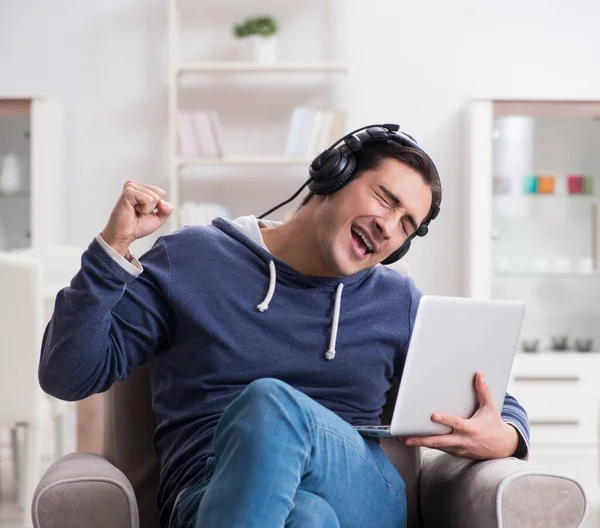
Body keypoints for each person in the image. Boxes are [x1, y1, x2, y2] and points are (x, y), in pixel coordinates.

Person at [39, 125, 530, 528]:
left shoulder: (394, 298)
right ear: (332, 175)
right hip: (208, 495)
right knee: (306, 517)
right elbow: (68, 375)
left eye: (406, 225)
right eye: (385, 199)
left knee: (270, 403)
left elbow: (493, 398)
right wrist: (110, 251)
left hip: (360, 493)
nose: (389, 226)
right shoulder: (192, 259)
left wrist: (506, 435)